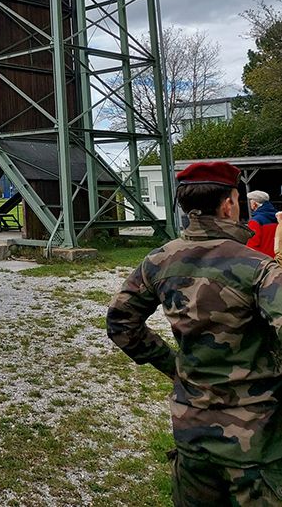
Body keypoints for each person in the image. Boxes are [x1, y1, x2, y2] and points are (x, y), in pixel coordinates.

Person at [107, 160, 282, 506]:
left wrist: (173, 366)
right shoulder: (258, 268)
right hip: (256, 444)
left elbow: (120, 322)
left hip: (192, 433)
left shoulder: (159, 261)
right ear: (229, 204)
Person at [247, 190, 278, 258]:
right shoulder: (278, 218)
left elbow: (252, 246)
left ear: (254, 204)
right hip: (278, 259)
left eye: (250, 202)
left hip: (264, 262)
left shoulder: (255, 221)